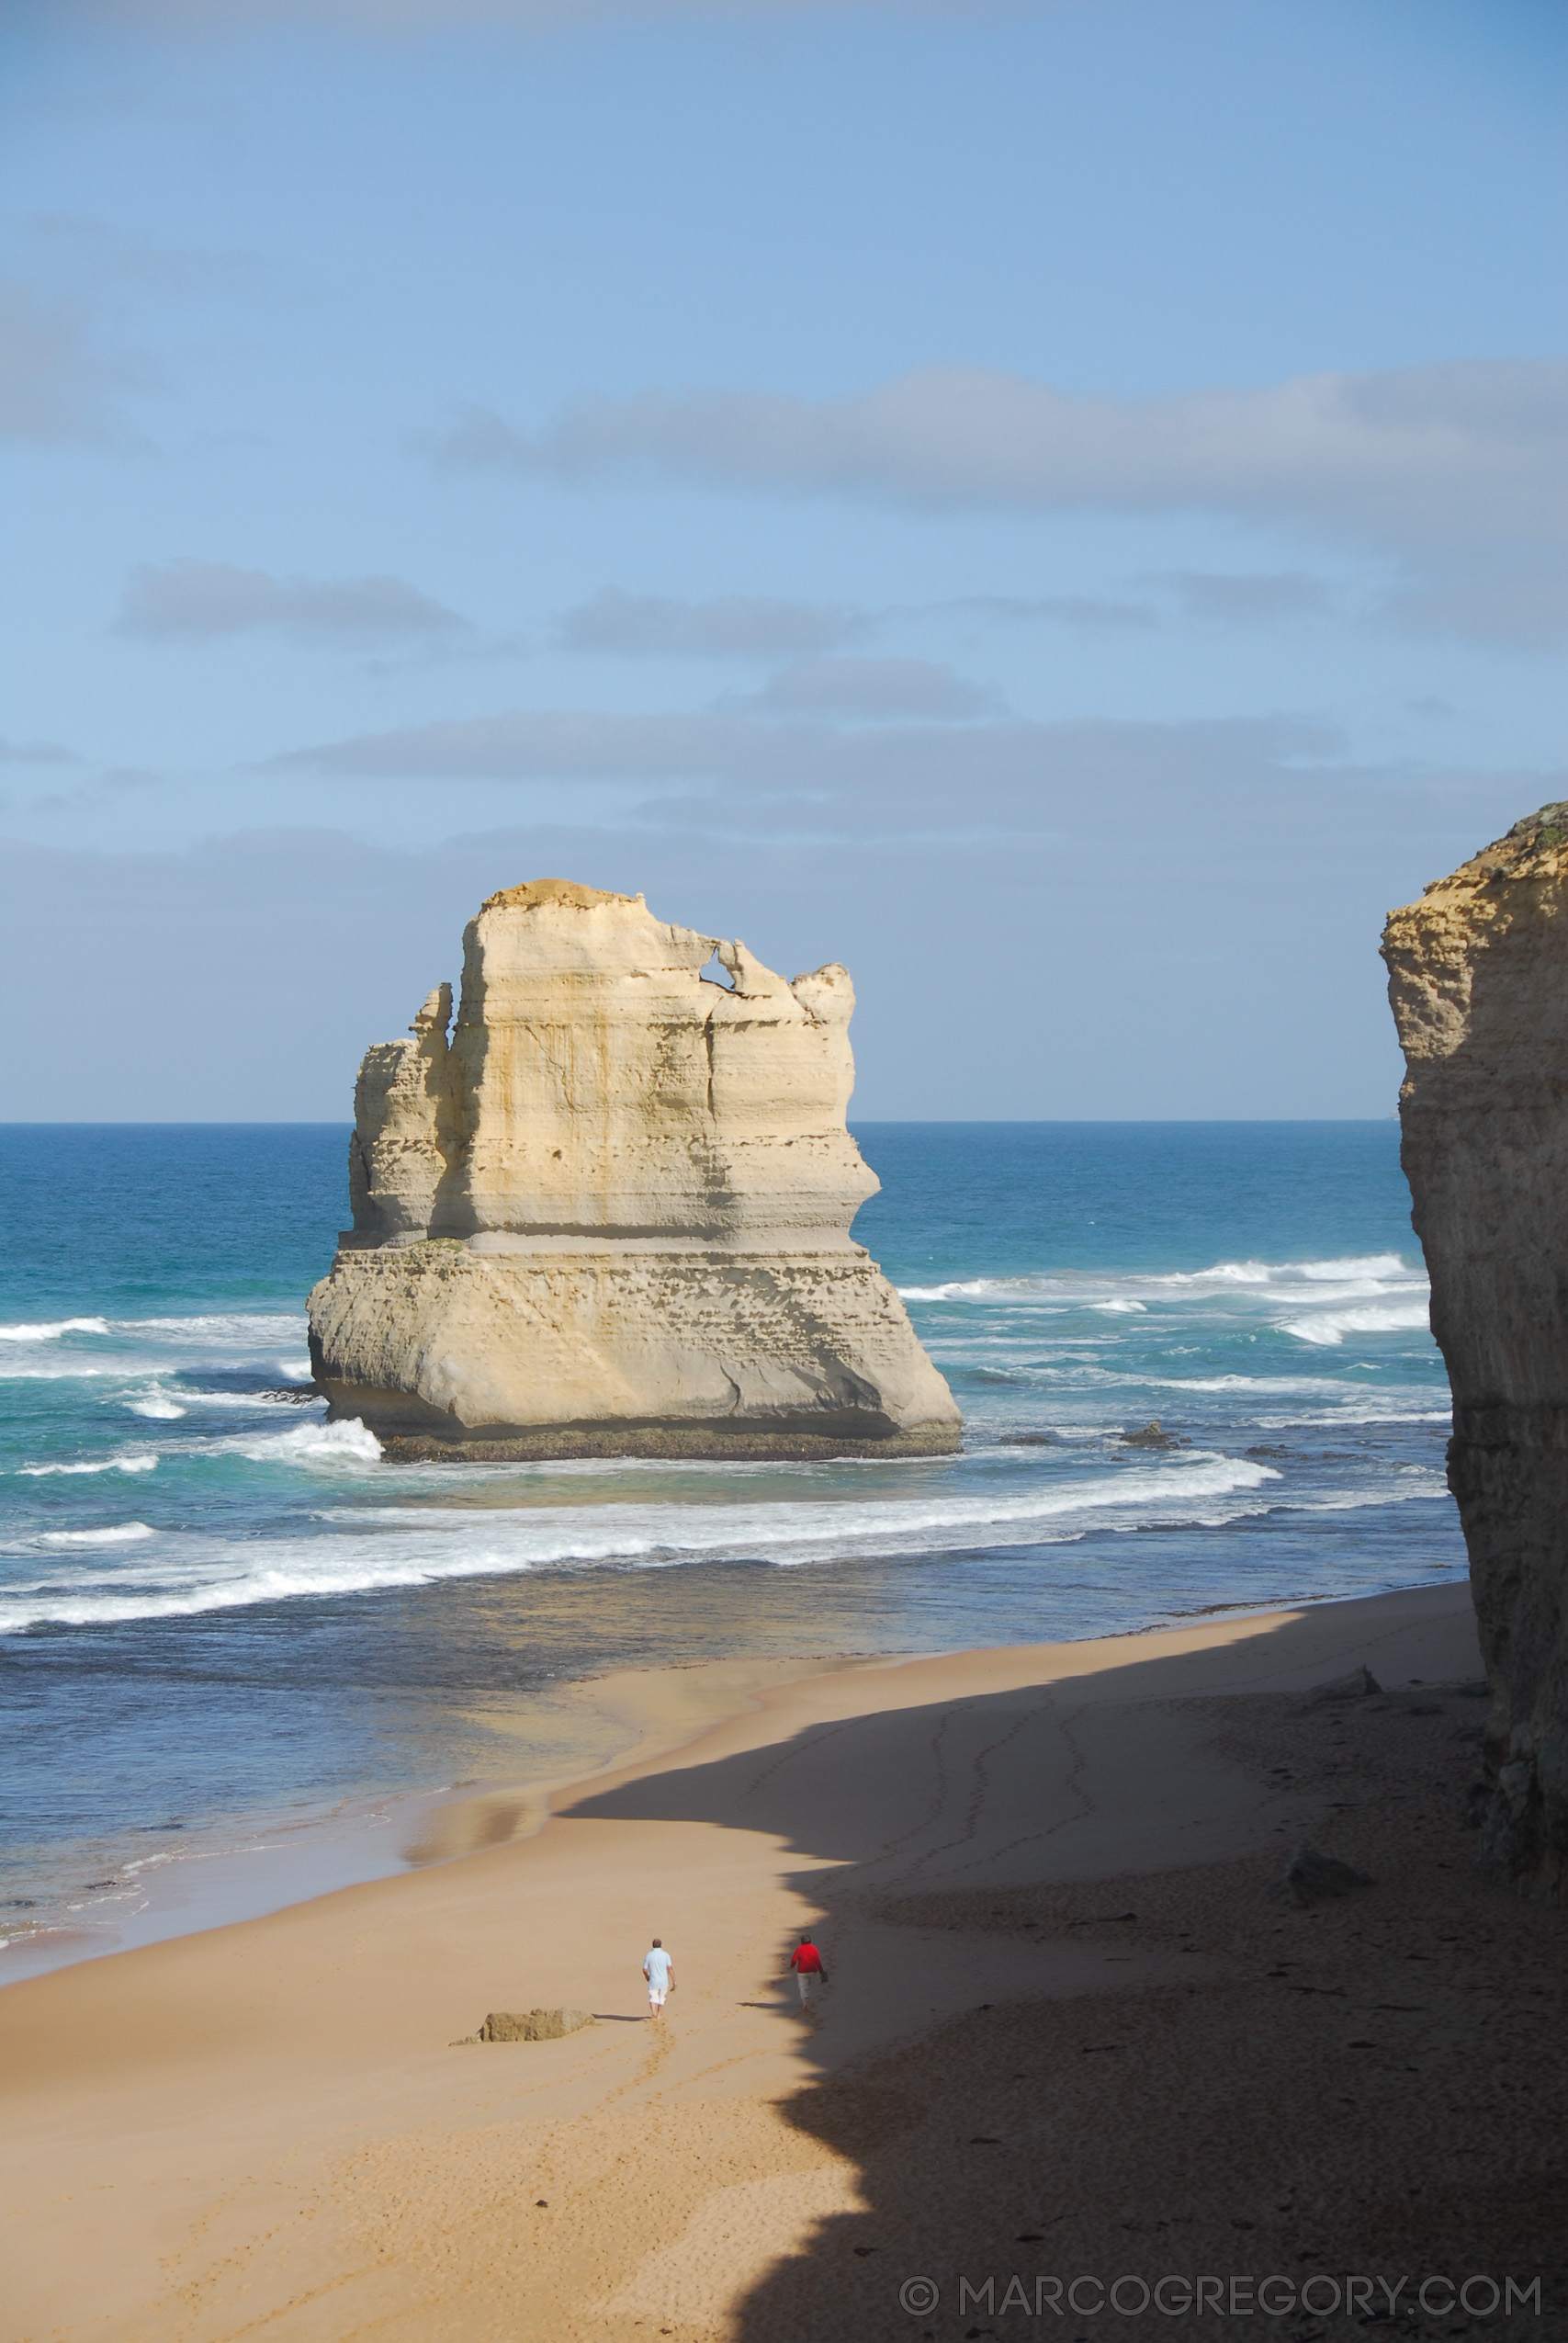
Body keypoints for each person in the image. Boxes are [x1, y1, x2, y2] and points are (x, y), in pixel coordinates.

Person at [786, 1932, 827, 2007]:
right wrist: (822, 1972)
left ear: (802, 1941)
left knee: (802, 1987)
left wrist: (792, 1966)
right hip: (813, 1971)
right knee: (810, 1986)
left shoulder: (799, 1948)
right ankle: (808, 1999)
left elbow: (794, 1960)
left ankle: (805, 2001)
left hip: (802, 1971)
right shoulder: (814, 1949)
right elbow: (818, 1962)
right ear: (810, 1941)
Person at [643, 1937, 674, 2020]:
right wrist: (674, 1980)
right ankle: (659, 2014)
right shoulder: (666, 1955)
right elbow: (670, 1968)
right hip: (663, 1981)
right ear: (661, 1945)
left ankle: (653, 2012)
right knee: (661, 1998)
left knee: (653, 1997)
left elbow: (645, 1969)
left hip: (653, 1981)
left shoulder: (649, 1955)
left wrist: (646, 1976)